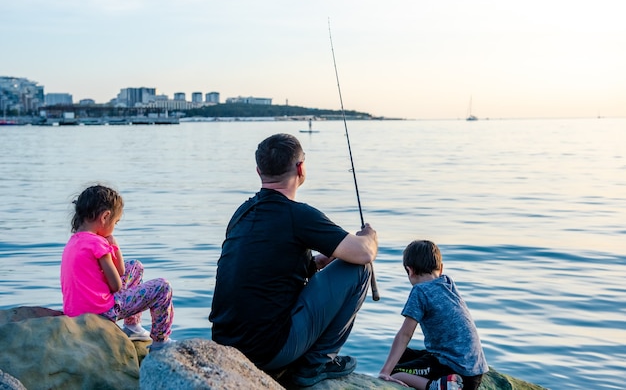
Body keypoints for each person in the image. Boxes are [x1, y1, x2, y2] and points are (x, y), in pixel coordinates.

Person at [209, 133, 378, 387]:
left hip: (226, 343)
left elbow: (267, 268)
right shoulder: (299, 215)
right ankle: (316, 363)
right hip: (268, 352)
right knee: (361, 269)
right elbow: (364, 253)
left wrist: (317, 262)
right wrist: (370, 237)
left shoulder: (241, 213)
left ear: (259, 171)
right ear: (300, 168)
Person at [60, 185, 175, 351]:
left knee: (135, 266)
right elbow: (116, 285)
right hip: (101, 312)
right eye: (115, 222)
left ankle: (133, 327)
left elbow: (122, 271)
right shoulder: (97, 243)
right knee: (163, 287)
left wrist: (113, 246)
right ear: (105, 216)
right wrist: (110, 246)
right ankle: (160, 341)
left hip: (76, 312)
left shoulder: (74, 241)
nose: (115, 226)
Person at [378, 240, 488, 390]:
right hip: (475, 371)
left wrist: (385, 372)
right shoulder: (447, 282)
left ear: (409, 271)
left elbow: (405, 334)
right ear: (441, 269)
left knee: (395, 373)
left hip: (457, 375)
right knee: (403, 356)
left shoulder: (420, 291)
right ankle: (442, 382)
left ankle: (438, 386)